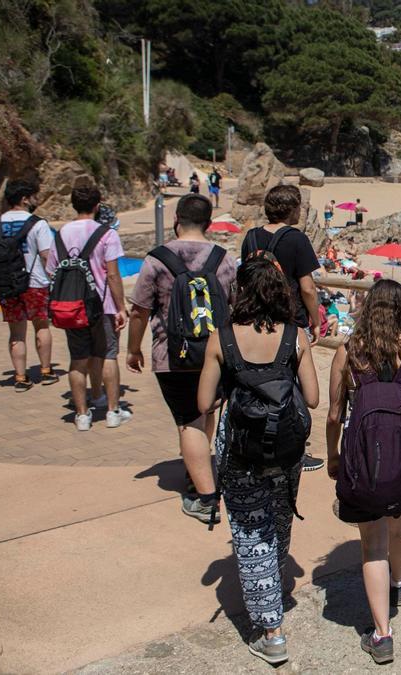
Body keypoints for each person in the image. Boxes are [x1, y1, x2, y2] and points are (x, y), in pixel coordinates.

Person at [197, 256, 319, 665]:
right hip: (286, 450)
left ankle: (272, 631)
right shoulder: (295, 336)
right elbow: (315, 398)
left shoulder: (222, 338)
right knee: (280, 523)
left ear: (241, 292)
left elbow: (202, 402)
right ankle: (274, 589)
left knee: (251, 536)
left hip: (240, 451)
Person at [326, 280, 401, 665]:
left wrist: (332, 456)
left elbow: (335, 413)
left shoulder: (349, 351)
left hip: (363, 461)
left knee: (372, 544)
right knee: (400, 525)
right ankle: (398, 584)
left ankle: (382, 635)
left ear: (368, 308)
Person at [127, 194, 236, 523]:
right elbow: (234, 307)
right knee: (206, 411)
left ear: (176, 219)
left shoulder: (156, 260)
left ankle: (205, 498)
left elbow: (139, 311)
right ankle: (198, 470)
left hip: (171, 355)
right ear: (209, 222)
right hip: (216, 354)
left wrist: (133, 349)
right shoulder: (224, 259)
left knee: (187, 420)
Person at [240, 185, 325, 471]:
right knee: (294, 386)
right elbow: (308, 288)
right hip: (289, 320)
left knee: (257, 377)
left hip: (252, 317)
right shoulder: (296, 239)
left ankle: (256, 435)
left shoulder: (251, 237)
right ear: (293, 209)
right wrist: (315, 320)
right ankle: (292, 448)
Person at [47, 185, 130, 431]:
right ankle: (113, 411)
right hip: (102, 306)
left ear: (73, 204)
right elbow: (113, 275)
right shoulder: (107, 234)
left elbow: (52, 270)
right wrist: (121, 307)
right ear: (97, 205)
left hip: (71, 305)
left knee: (78, 359)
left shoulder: (61, 234)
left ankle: (83, 415)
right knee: (108, 355)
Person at [0, 180, 58, 391]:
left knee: (16, 333)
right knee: (41, 326)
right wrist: (55, 281)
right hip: (35, 284)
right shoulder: (38, 224)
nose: (36, 200)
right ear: (24, 199)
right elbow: (45, 256)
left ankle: (21, 377)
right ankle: (46, 371)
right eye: (34, 196)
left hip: (6, 285)